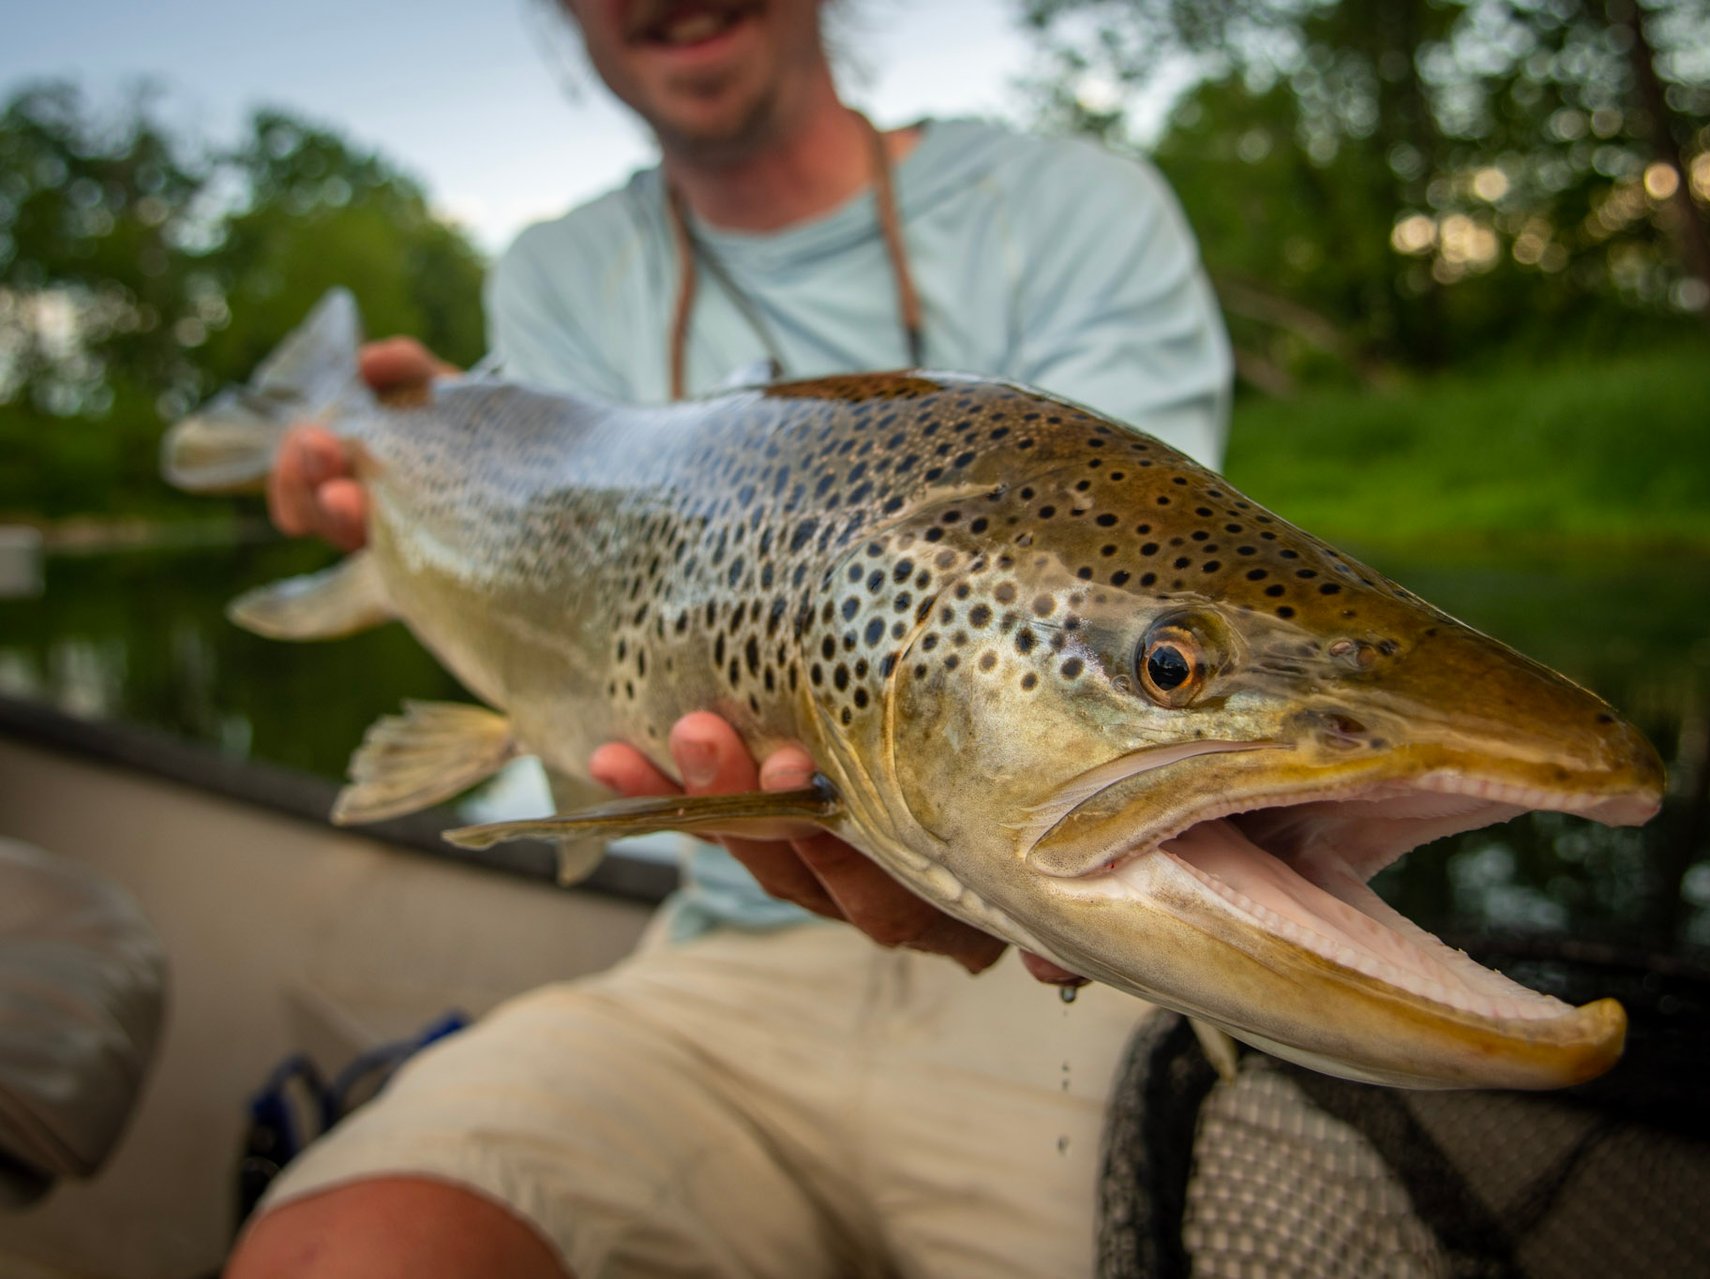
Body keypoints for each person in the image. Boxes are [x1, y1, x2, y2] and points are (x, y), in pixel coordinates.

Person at [227, 1, 1232, 1275]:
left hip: (1074, 969)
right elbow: (553, 513)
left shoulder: (1071, 205)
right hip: (713, 975)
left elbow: (1144, 633)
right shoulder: (558, 269)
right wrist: (414, 472)